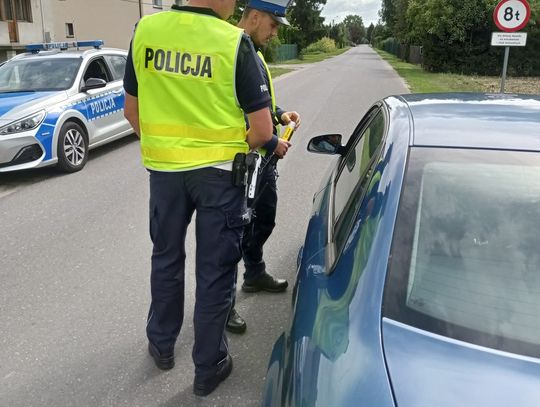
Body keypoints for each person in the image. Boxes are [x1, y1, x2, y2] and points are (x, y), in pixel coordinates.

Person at [123, 0, 273, 397]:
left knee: (166, 257)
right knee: (216, 271)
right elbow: (261, 130)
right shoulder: (232, 43)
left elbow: (131, 112)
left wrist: (168, 149)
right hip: (220, 177)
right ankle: (208, 367)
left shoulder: (145, 31)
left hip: (165, 174)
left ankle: (162, 345)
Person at [226, 0, 301, 334]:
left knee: (264, 218)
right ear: (254, 17)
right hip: (241, 160)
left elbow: (258, 102)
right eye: (273, 25)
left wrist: (280, 114)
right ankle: (223, 305)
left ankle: (254, 273)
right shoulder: (229, 50)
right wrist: (273, 141)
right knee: (232, 232)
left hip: (262, 160)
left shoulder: (253, 52)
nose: (274, 34)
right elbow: (232, 107)